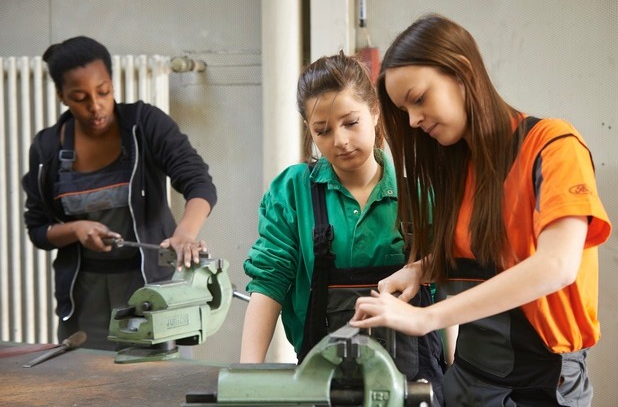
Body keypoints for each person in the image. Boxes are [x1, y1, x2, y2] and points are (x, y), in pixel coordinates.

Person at [350, 14, 612, 406]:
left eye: (419, 99)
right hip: (471, 380)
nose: (414, 120)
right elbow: (485, 255)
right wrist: (421, 269)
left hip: (538, 386)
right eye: (404, 110)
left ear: (462, 72)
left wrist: (426, 319)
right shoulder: (459, 167)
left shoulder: (553, 146)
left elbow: (557, 266)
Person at [240, 52, 446, 405]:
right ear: (310, 130)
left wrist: (456, 371)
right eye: (323, 130)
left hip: (414, 388)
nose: (340, 140)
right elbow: (268, 285)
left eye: (351, 122)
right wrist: (244, 381)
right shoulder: (293, 194)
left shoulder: (419, 194)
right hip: (321, 386)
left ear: (375, 112)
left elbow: (447, 286)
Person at [21, 36, 217, 351]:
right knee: (86, 387)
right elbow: (38, 230)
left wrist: (185, 234)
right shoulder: (47, 149)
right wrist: (76, 229)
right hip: (84, 297)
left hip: (148, 291)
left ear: (112, 84)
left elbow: (198, 182)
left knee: (148, 386)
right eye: (80, 97)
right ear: (62, 97)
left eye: (103, 92)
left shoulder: (145, 125)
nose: (95, 107)